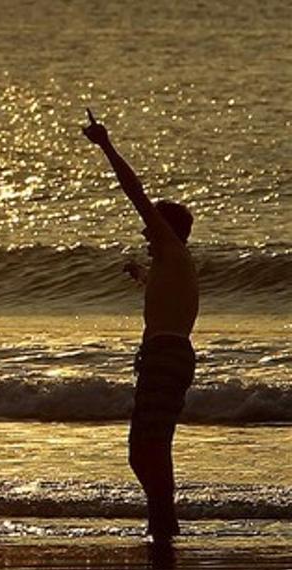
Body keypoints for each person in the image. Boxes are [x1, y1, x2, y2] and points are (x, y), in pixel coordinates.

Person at [83, 109, 199, 544]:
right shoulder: (173, 266)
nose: (146, 234)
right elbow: (168, 297)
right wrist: (142, 278)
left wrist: (106, 147)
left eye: (153, 229)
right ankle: (161, 521)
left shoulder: (172, 250)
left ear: (167, 230)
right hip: (162, 356)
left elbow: (136, 194)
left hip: (166, 356)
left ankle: (164, 524)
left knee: (149, 447)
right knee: (145, 448)